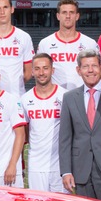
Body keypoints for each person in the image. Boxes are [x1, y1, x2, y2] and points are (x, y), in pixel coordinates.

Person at [58, 48, 101, 201]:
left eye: (94, 66)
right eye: (86, 66)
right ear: (78, 70)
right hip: (81, 171)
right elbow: (65, 138)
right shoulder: (69, 98)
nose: (90, 70)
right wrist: (66, 171)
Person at [21, 52, 67, 193]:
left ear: (52, 70)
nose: (41, 72)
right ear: (32, 71)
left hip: (60, 166)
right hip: (36, 166)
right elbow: (24, 134)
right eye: (37, 69)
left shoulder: (65, 96)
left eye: (45, 68)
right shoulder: (25, 99)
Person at [36, 0, 94, 90]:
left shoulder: (90, 43)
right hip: (54, 98)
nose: (68, 16)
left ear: (77, 16)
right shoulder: (45, 43)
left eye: (71, 12)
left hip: (81, 98)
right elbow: (38, 72)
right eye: (64, 12)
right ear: (58, 16)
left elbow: (98, 72)